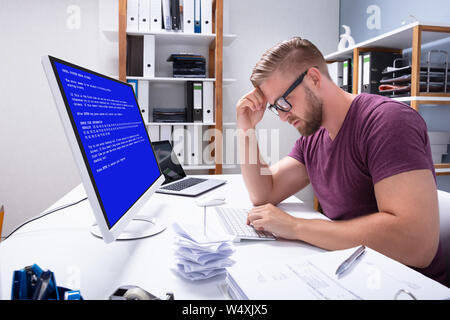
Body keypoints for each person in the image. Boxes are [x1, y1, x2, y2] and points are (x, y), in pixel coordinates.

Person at [236, 37, 448, 285]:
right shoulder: (313, 136)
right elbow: (264, 192)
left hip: (406, 284)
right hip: (353, 271)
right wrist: (245, 127)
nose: (282, 117)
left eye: (284, 102)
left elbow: (417, 244)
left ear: (314, 79)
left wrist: (295, 227)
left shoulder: (387, 122)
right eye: (275, 107)